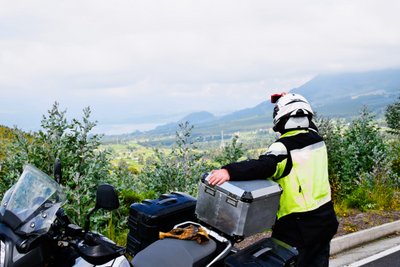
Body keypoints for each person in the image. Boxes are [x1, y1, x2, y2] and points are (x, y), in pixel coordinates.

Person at [208, 92, 339, 267]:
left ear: (281, 118)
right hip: (325, 219)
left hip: (297, 226)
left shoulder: (283, 147)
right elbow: (307, 122)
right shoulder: (316, 140)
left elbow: (263, 166)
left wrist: (229, 171)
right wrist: (293, 100)